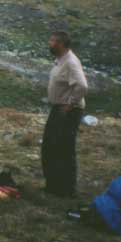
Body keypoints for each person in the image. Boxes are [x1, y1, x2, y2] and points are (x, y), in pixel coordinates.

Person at [41, 31, 88, 198]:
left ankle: (66, 189)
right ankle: (54, 185)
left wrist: (70, 104)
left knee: (64, 148)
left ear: (61, 44)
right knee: (51, 146)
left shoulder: (71, 62)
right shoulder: (61, 59)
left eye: (52, 41)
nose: (49, 43)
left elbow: (82, 86)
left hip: (68, 111)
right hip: (60, 108)